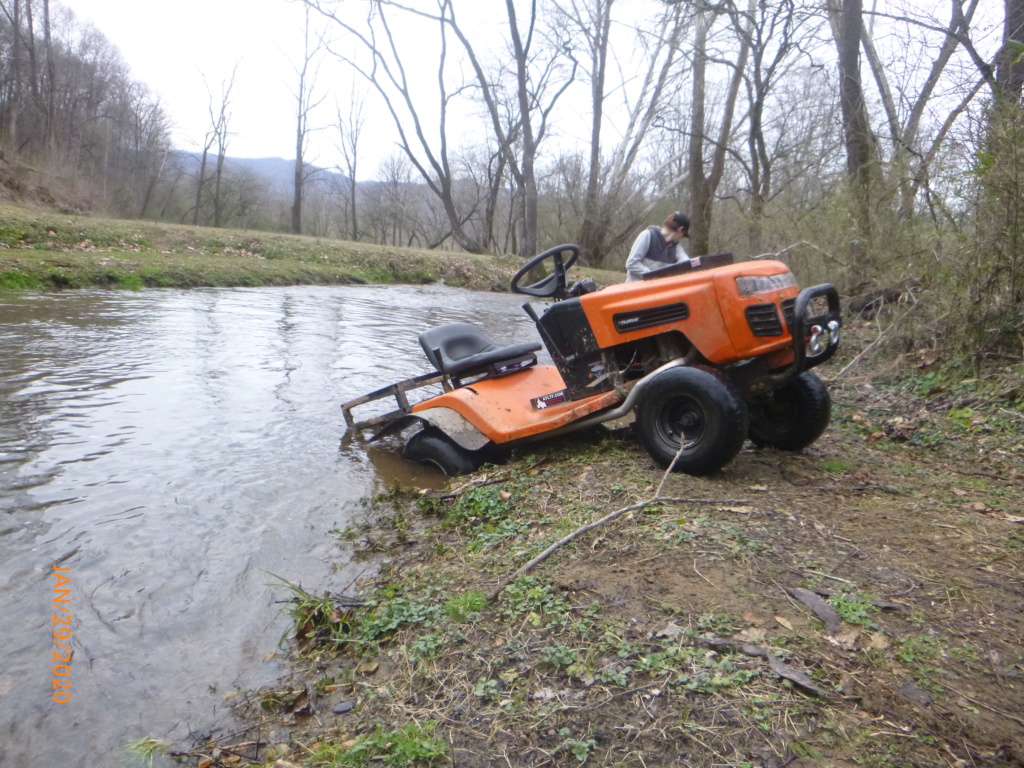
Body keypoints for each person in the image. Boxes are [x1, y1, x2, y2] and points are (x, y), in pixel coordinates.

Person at [624, 211, 691, 282]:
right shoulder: (647, 235)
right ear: (680, 230)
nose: (681, 238)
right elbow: (631, 263)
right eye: (683, 235)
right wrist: (654, 277)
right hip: (635, 290)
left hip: (658, 291)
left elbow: (686, 264)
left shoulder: (676, 246)